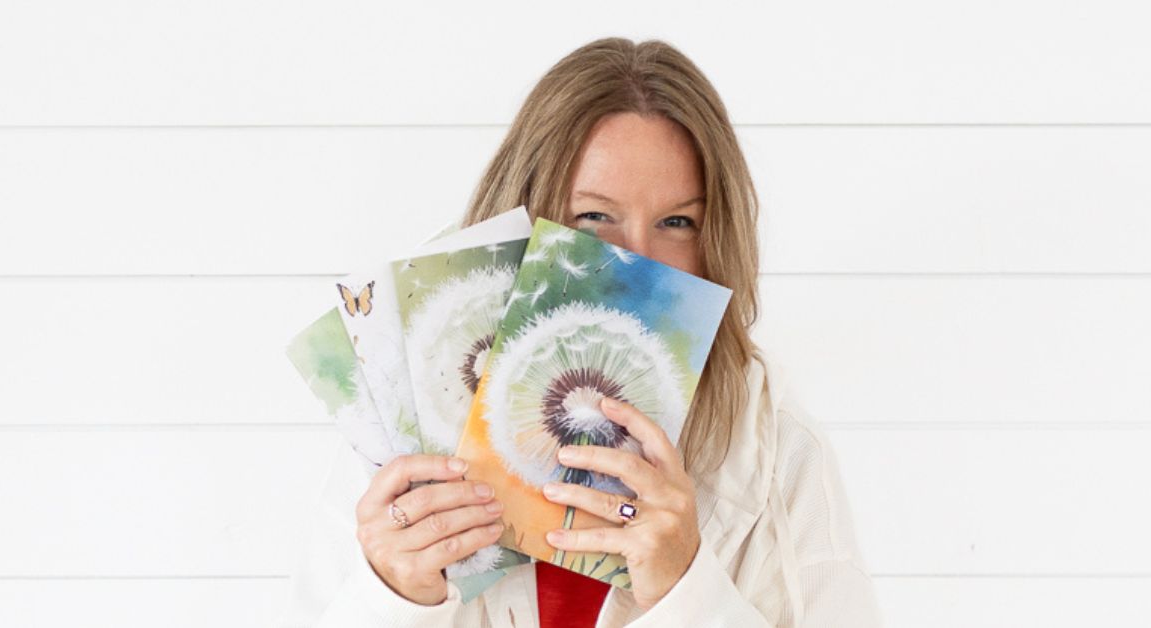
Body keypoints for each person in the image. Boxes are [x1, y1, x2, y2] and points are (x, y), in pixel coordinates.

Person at [276, 37, 884, 627]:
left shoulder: (774, 445)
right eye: (594, 218)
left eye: (678, 221)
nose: (639, 262)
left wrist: (686, 591)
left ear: (716, 238)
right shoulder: (400, 429)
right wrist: (393, 599)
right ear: (526, 214)